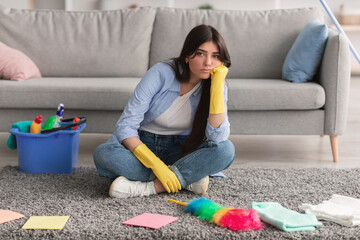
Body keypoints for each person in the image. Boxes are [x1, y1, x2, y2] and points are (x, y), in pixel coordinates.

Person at [93, 24, 235, 198]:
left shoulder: (216, 83)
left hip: (182, 150)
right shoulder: (161, 73)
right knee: (104, 153)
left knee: (226, 150)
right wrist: (156, 165)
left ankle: (150, 187)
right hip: (143, 145)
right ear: (187, 55)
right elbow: (126, 126)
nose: (208, 63)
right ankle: (186, 178)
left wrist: (218, 85)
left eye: (216, 56)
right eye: (200, 53)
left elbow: (217, 138)